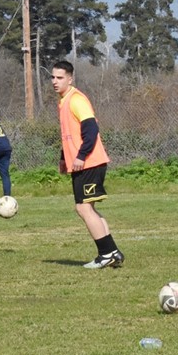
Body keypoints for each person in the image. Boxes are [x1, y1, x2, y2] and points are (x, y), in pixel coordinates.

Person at [51, 61, 124, 269]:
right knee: (87, 208)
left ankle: (106, 254)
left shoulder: (76, 99)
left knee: (83, 208)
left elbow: (91, 130)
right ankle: (112, 252)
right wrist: (64, 158)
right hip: (82, 164)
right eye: (53, 77)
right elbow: (68, 135)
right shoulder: (63, 101)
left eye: (60, 77)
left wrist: (81, 156)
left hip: (90, 162)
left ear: (70, 79)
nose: (55, 81)